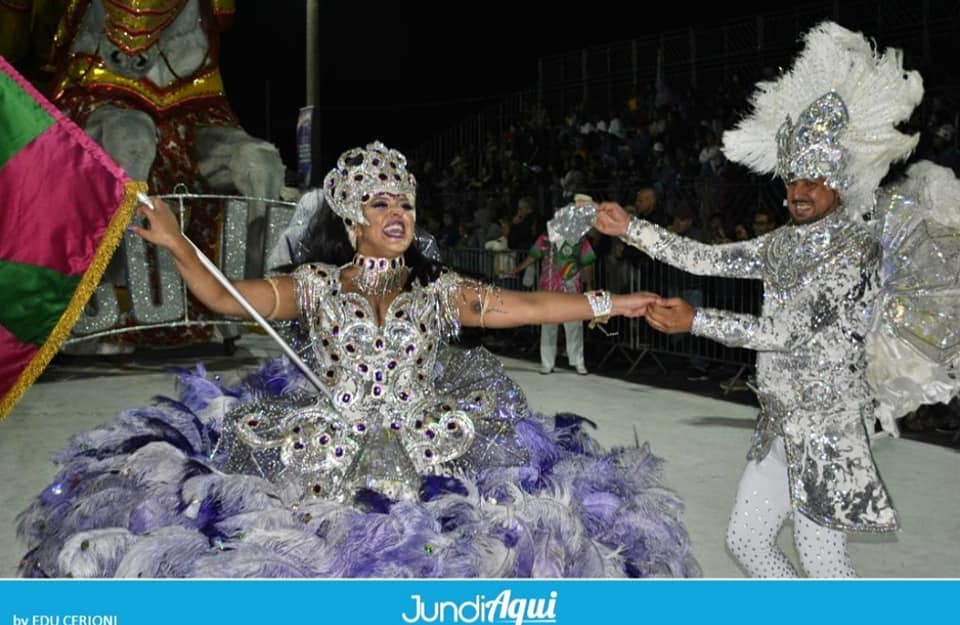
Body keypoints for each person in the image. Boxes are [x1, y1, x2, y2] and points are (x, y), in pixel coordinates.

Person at [17, 141, 700, 579]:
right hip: (325, 448)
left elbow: (527, 306)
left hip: (428, 443)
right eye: (380, 202)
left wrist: (612, 302)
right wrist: (174, 240)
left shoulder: (439, 289)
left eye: (403, 200)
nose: (396, 210)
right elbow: (227, 300)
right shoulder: (315, 284)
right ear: (352, 220)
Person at [595, 22, 928, 577]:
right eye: (794, 177)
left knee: (824, 563)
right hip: (777, 421)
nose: (800, 190)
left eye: (815, 180)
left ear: (840, 182)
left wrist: (697, 319)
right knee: (746, 541)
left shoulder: (855, 250)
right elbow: (707, 259)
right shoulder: (781, 243)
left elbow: (787, 332)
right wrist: (632, 228)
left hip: (826, 429)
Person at [511, 195, 596, 375]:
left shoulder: (579, 238)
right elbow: (533, 256)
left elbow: (588, 262)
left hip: (570, 288)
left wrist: (590, 285)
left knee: (573, 325)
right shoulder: (545, 237)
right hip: (548, 289)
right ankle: (547, 363)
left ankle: (578, 362)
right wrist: (517, 269)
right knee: (548, 326)